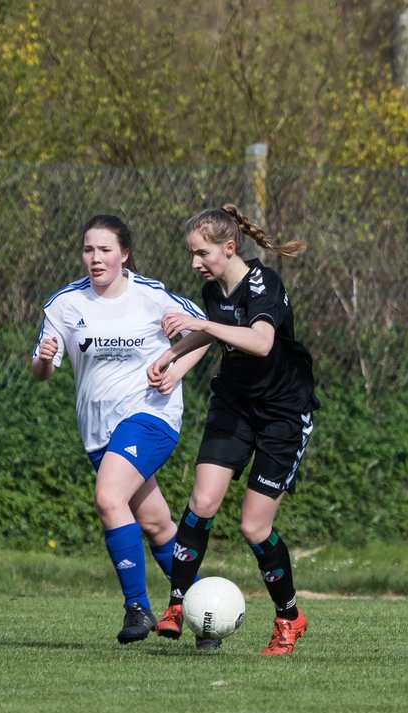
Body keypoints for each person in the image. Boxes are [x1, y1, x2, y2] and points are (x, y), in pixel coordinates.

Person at [146, 204, 318, 655]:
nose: (194, 263)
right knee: (202, 501)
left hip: (283, 414)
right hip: (235, 406)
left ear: (230, 246)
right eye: (191, 254)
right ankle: (178, 604)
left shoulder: (263, 284)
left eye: (201, 253)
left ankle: (289, 617)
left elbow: (260, 342)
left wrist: (201, 325)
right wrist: (173, 358)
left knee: (254, 526)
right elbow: (214, 331)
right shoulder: (215, 289)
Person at [32, 214, 210, 645]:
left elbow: (207, 331)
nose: (95, 258)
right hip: (99, 433)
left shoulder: (151, 295)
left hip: (151, 416)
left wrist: (176, 368)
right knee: (157, 524)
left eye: (105, 250)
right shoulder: (65, 304)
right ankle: (207, 611)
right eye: (88, 249)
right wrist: (43, 356)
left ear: (124, 254)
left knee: (109, 498)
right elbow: (42, 372)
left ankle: (138, 607)